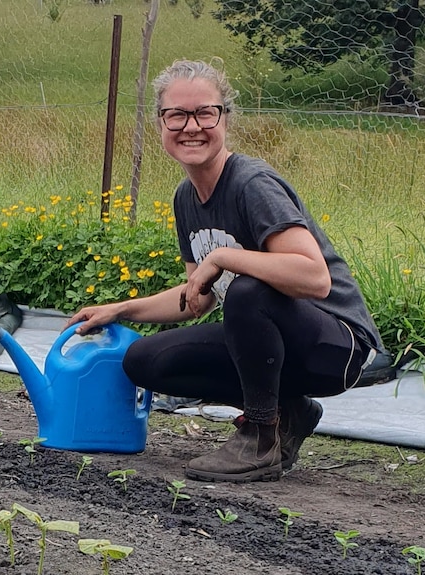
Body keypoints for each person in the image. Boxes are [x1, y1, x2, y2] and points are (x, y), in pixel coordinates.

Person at [63, 59, 385, 483]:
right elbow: (199, 298)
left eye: (204, 113)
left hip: (335, 346)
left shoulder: (251, 185)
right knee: (145, 360)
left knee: (249, 292)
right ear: (160, 124)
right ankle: (289, 411)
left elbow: (314, 277)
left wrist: (224, 258)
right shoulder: (186, 198)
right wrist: (119, 309)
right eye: (176, 115)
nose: (190, 126)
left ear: (225, 119)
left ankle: (259, 436)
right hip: (275, 341)